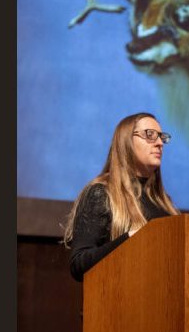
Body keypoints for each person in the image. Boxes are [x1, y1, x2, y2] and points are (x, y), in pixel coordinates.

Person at [62, 112, 179, 281]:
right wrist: (129, 239)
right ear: (126, 142)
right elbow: (79, 264)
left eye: (161, 137)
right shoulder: (101, 193)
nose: (160, 143)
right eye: (150, 135)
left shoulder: (164, 202)